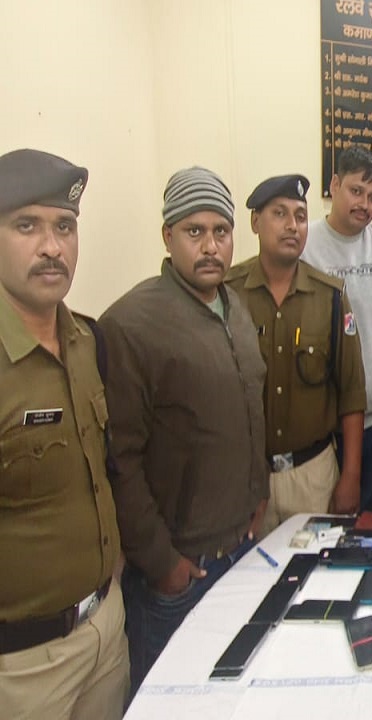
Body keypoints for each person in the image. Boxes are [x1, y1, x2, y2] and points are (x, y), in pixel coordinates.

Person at [99, 167, 268, 695]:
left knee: (230, 695)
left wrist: (258, 495)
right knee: (172, 701)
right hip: (179, 574)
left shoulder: (235, 308)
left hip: (239, 550)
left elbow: (251, 411)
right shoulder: (130, 324)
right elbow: (120, 460)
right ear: (167, 235)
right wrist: (161, 564)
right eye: (195, 231)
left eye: (221, 231)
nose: (211, 246)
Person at [0, 149, 128, 719]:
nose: (52, 247)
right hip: (24, 668)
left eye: (65, 227)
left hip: (105, 630)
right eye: (27, 226)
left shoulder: (88, 342)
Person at [225, 174, 367, 533]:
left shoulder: (330, 297)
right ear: (255, 222)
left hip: (313, 475)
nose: (292, 226)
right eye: (280, 214)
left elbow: (352, 392)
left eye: (301, 216)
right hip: (247, 477)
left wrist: (351, 475)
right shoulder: (228, 295)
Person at [301, 146, 372, 512]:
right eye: (356, 191)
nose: (364, 204)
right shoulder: (303, 246)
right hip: (317, 429)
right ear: (334, 185)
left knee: (368, 530)